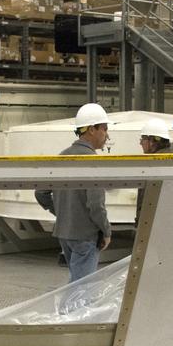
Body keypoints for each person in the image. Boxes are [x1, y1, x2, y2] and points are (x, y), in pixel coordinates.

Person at [34, 102, 112, 283]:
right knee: (81, 290)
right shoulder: (93, 162)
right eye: (104, 129)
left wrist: (62, 212)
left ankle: (68, 311)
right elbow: (96, 205)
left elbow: (41, 193)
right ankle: (65, 312)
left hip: (64, 233)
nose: (106, 135)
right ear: (92, 130)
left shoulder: (62, 156)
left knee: (77, 284)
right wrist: (106, 231)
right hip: (85, 236)